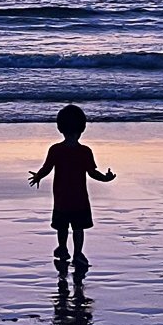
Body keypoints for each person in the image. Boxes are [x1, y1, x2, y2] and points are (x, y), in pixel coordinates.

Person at [29, 103, 115, 272]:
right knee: (78, 228)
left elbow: (46, 168)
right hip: (80, 199)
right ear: (82, 127)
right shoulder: (85, 151)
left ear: (60, 127)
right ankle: (77, 253)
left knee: (62, 227)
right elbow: (92, 172)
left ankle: (62, 249)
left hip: (61, 198)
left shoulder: (55, 150)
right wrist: (105, 178)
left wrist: (38, 176)